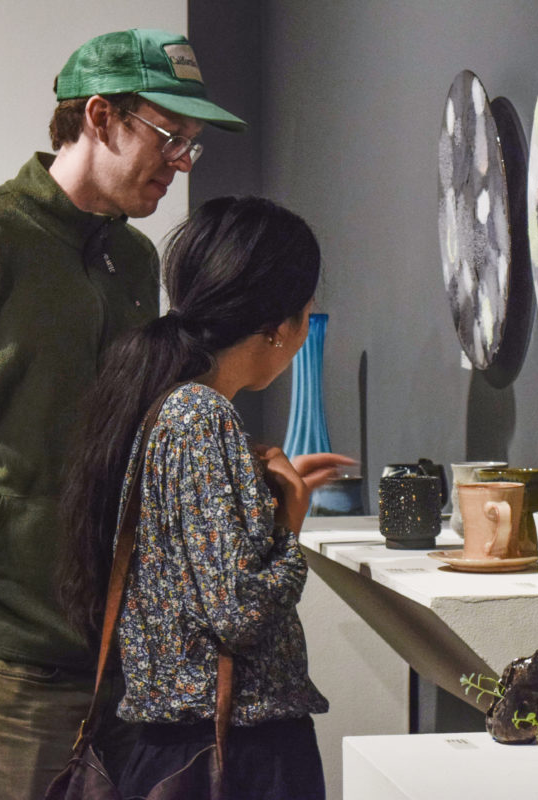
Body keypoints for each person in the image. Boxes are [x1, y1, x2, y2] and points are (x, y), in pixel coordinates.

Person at [0, 29, 246, 800]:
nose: (181, 164)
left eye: (192, 148)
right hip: (11, 662)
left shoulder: (136, 262)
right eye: (171, 138)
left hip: (121, 653)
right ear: (100, 117)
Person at [59, 196, 348, 800]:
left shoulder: (175, 404)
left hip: (195, 744)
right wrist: (289, 526)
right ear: (276, 324)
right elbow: (237, 610)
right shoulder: (200, 415)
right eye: (305, 310)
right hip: (231, 750)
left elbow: (202, 580)